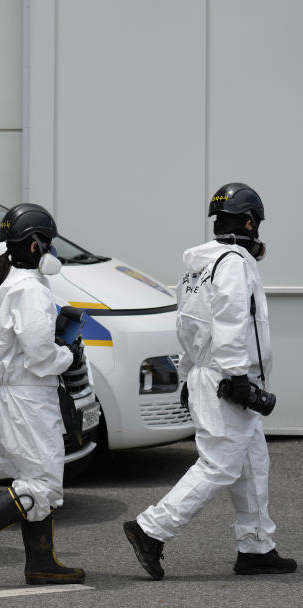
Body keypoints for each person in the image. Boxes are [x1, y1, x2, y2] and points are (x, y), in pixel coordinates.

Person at [124, 183, 296, 580]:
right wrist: (238, 377)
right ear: (250, 222)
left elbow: (188, 324)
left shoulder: (198, 268)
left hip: (207, 372)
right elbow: (233, 321)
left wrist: (187, 374)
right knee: (219, 464)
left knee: (253, 464)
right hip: (228, 378)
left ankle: (256, 546)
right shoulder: (234, 262)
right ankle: (151, 529)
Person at [0, 203, 85, 585]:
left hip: (12, 398)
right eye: (50, 242)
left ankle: (41, 563)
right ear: (36, 245)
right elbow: (41, 355)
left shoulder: (11, 285)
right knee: (44, 485)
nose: (53, 250)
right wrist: (67, 353)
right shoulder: (30, 291)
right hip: (27, 400)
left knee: (33, 477)